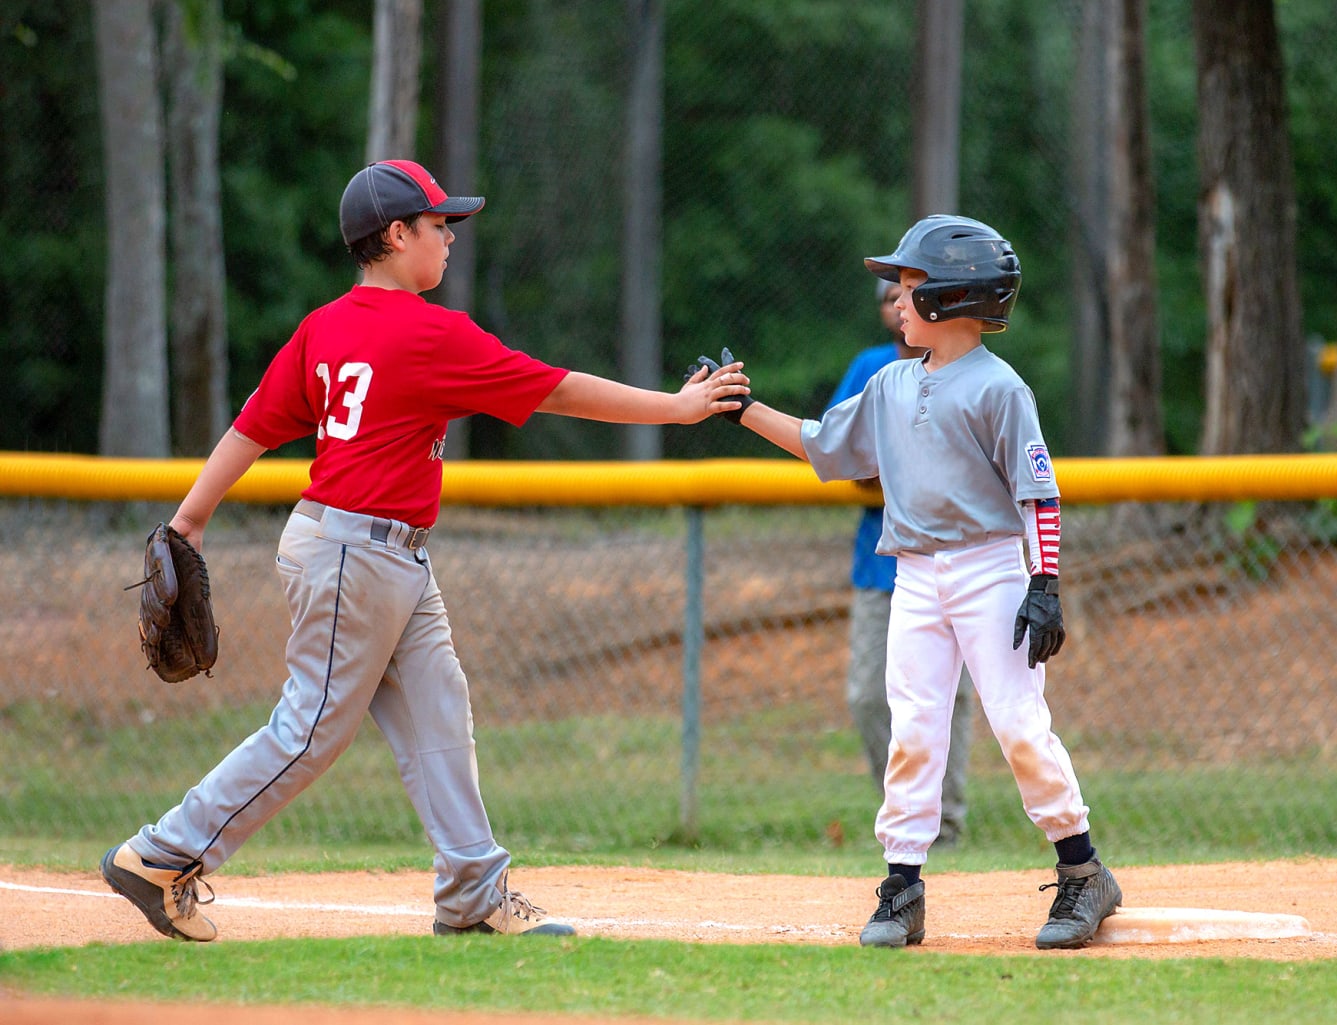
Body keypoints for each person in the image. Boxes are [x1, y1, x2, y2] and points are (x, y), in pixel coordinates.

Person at [99, 159, 750, 942]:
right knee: (308, 731)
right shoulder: (430, 331)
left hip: (383, 554)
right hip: (353, 553)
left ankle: (473, 890)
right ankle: (163, 853)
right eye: (440, 225)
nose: (449, 238)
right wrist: (677, 411)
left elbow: (255, 425)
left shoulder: (324, 327)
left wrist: (190, 519)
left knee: (440, 707)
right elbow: (557, 389)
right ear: (396, 234)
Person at [718, 214, 1120, 950]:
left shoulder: (1001, 389)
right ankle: (902, 887)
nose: (896, 301)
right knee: (914, 728)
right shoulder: (890, 383)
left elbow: (1039, 493)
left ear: (950, 296)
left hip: (992, 568)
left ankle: (1083, 872)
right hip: (913, 574)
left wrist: (1045, 582)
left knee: (1018, 722)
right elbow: (820, 443)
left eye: (907, 287)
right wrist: (742, 409)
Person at [836, 280, 974, 846]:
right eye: (890, 296)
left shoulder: (970, 370)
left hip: (954, 559)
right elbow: (843, 449)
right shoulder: (873, 368)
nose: (899, 304)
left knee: (952, 697)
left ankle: (945, 826)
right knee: (869, 695)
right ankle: (904, 813)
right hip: (883, 564)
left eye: (911, 292)